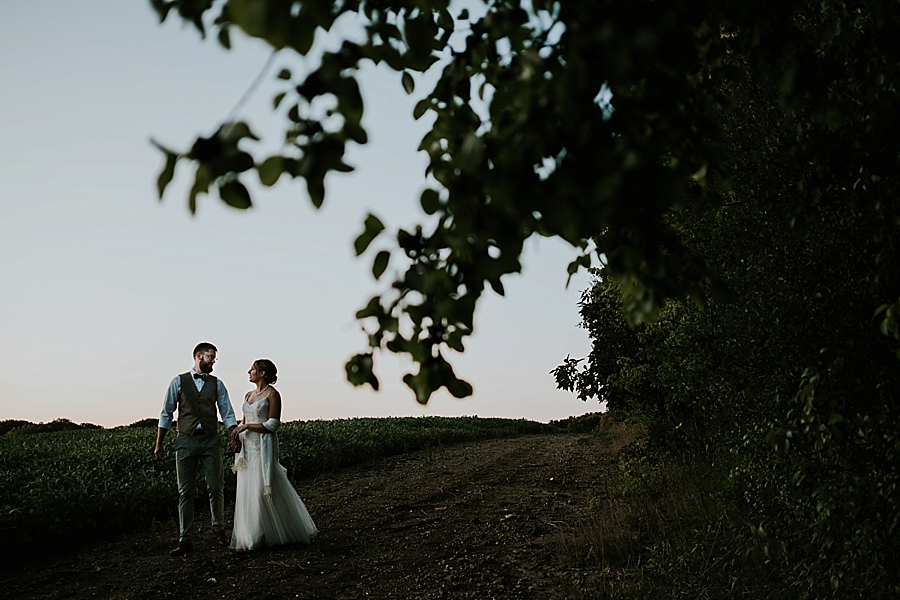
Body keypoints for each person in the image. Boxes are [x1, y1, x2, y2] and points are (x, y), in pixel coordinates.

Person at [154, 342, 238, 557]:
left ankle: (219, 531)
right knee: (185, 492)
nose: (213, 361)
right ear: (199, 356)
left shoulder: (218, 384)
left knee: (215, 487)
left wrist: (234, 434)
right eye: (211, 357)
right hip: (185, 441)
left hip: (211, 440)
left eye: (214, 358)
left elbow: (227, 413)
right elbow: (166, 413)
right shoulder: (178, 382)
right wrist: (159, 443)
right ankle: (185, 539)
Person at [230, 359, 317, 551]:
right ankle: (250, 536)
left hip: (263, 448)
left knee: (262, 488)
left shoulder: (272, 394)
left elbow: (272, 424)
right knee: (248, 490)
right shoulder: (248, 395)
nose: (249, 372)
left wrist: (247, 426)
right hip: (247, 450)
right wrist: (237, 434)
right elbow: (243, 422)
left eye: (253, 369)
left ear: (263, 373)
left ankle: (271, 533)